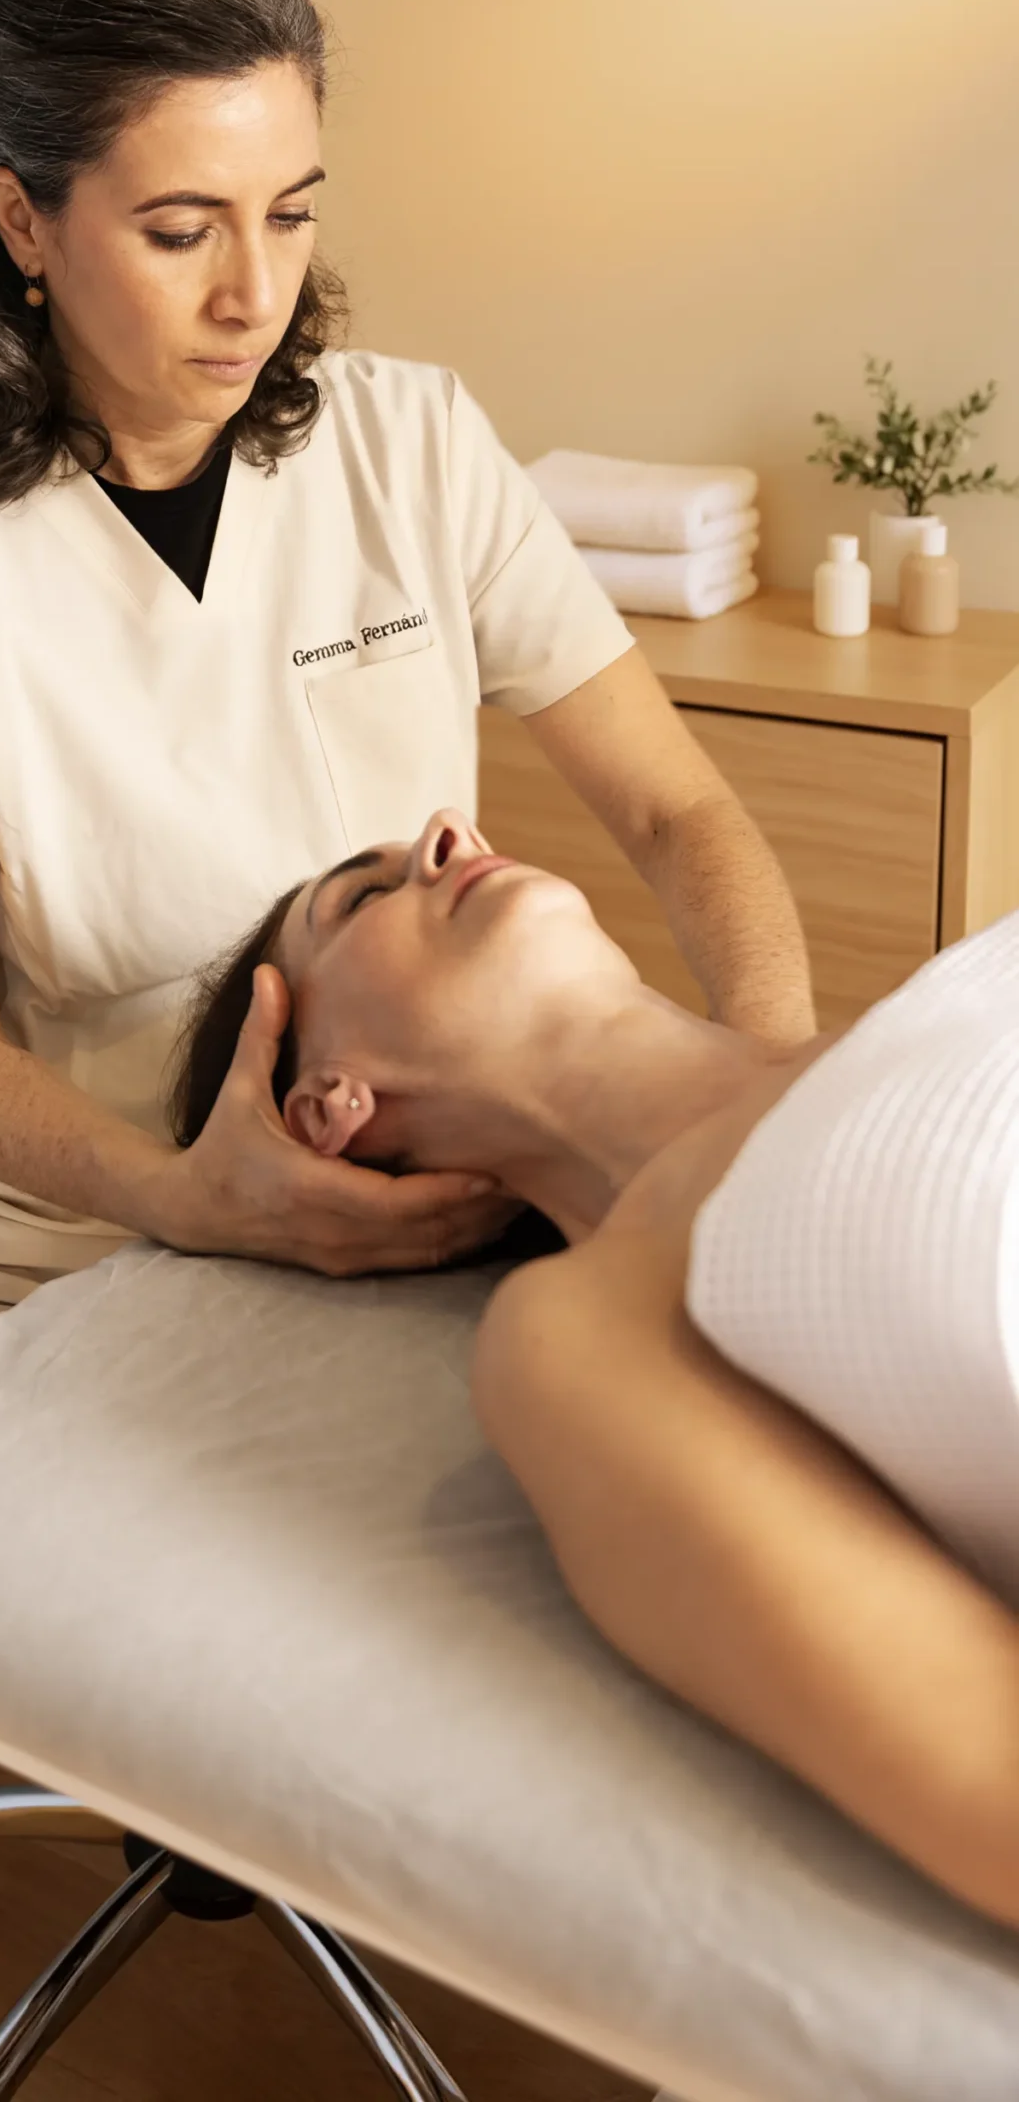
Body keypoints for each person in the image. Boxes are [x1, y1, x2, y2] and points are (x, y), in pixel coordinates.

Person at [0, 0, 815, 2102]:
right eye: (179, 223)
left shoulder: (401, 445)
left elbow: (681, 818)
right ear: (20, 217)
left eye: (289, 212)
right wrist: (189, 1198)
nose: (249, 289)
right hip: (3, 1218)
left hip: (390, 1187)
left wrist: (745, 1107)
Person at [171, 806, 1019, 1931]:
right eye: (363, 899)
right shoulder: (586, 1332)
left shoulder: (933, 1001)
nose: (444, 830)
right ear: (329, 1109)